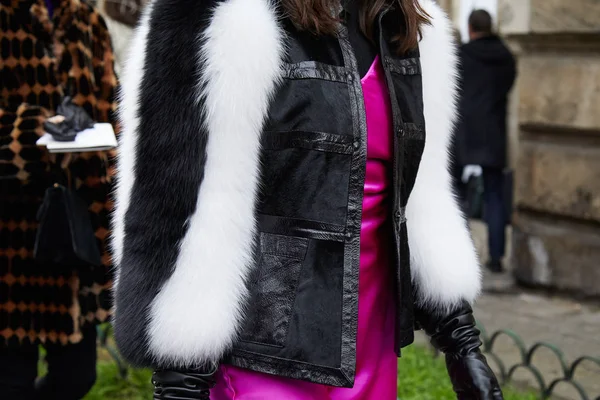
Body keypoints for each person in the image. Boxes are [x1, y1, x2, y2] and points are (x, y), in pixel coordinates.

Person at [113, 0, 503, 399]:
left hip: (370, 344)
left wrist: (461, 342)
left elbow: (419, 200)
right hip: (260, 353)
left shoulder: (410, 31)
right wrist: (181, 379)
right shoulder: (216, 18)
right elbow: (173, 206)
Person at [0, 0, 117, 398]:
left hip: (73, 235)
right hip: (12, 240)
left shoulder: (85, 19)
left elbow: (112, 103)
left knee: (76, 378)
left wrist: (103, 137)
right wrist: (35, 129)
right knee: (9, 381)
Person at [455, 9, 517, 273]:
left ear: (470, 28)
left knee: (456, 197)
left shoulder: (462, 56)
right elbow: (507, 87)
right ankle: (495, 258)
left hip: (464, 133)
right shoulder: (507, 57)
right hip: (493, 133)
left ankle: (460, 253)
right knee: (494, 197)